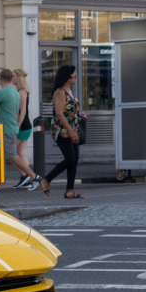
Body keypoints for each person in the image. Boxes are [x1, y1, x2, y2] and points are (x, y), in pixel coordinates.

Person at [0, 69, 36, 188]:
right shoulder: (16, 93)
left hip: (7, 129)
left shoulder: (3, 92)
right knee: (14, 155)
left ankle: (33, 176)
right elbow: (17, 111)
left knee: (12, 156)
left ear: (1, 79)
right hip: (11, 128)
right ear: (11, 79)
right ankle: (24, 177)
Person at [38, 65, 86, 199]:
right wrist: (71, 131)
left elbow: (70, 110)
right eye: (74, 75)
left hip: (72, 129)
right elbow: (59, 114)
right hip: (62, 130)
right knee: (70, 158)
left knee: (74, 159)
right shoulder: (60, 92)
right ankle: (46, 179)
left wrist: (80, 115)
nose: (76, 77)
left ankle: (70, 190)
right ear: (67, 77)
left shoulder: (69, 91)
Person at [12, 69, 40, 189]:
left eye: (13, 76)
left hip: (22, 126)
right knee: (20, 153)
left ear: (18, 77)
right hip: (24, 126)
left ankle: (29, 176)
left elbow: (22, 111)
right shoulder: (20, 91)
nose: (12, 78)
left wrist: (17, 126)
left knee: (11, 152)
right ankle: (26, 177)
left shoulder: (22, 92)